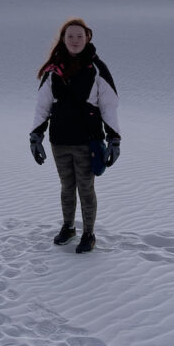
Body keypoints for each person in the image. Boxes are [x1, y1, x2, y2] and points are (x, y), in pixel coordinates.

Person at [29, 18, 121, 253]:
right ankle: (68, 228)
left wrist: (114, 139)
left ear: (87, 37)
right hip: (59, 140)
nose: (75, 40)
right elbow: (43, 105)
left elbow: (109, 105)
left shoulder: (96, 68)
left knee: (86, 188)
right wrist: (36, 136)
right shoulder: (53, 70)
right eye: (70, 36)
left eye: (79, 36)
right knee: (67, 186)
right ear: (63, 39)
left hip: (87, 140)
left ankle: (88, 233)